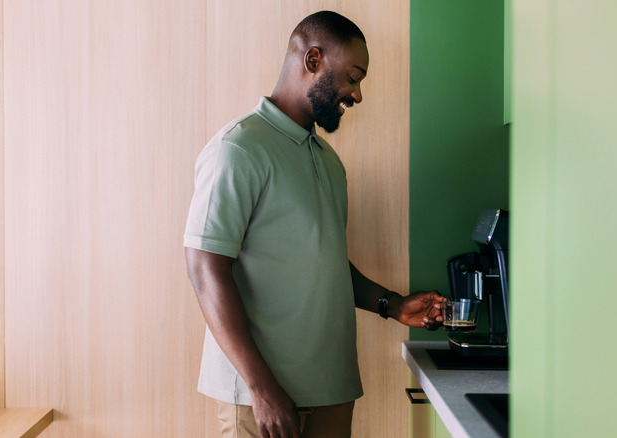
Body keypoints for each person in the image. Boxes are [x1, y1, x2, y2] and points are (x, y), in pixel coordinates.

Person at [184, 11, 444, 438]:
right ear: (313, 60)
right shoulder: (239, 149)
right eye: (353, 77)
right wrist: (262, 388)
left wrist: (393, 305)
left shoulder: (329, 162)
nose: (357, 95)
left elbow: (326, 264)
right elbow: (203, 267)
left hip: (331, 392)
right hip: (262, 401)